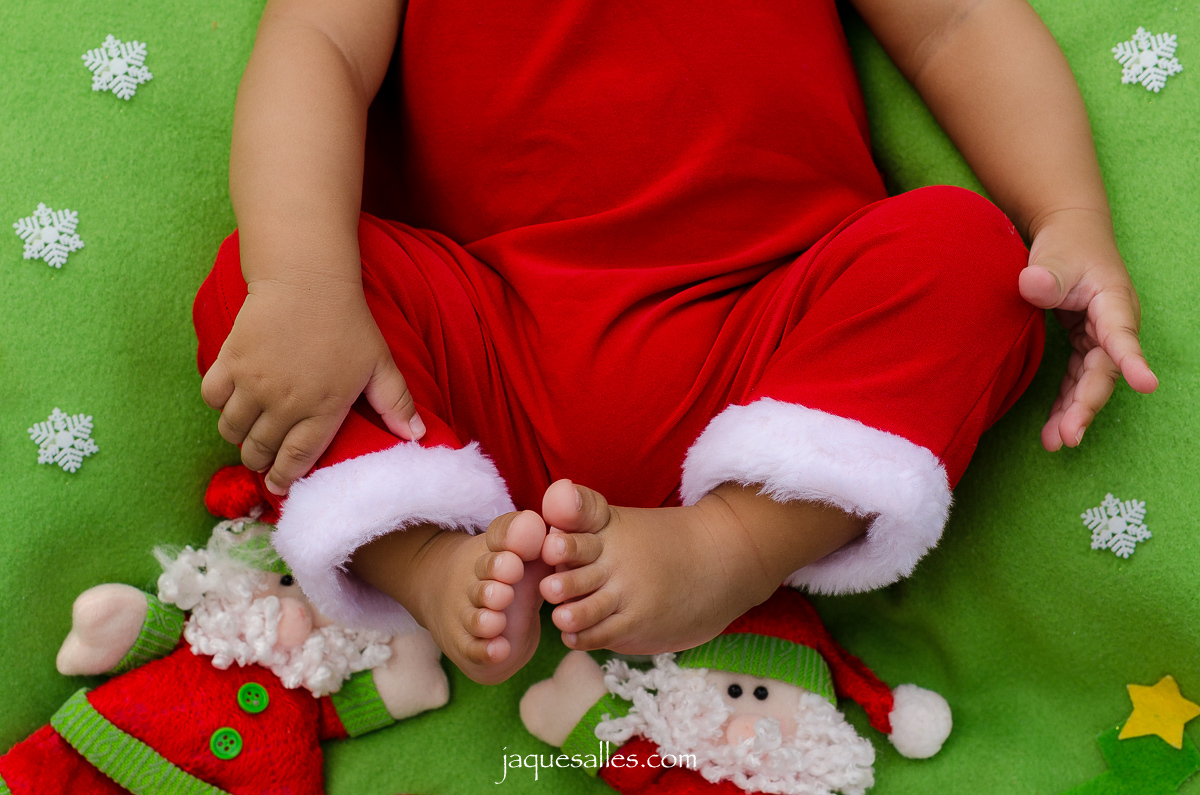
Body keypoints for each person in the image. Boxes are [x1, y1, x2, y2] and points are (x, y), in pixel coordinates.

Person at [193, 0, 1157, 685]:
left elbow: (960, 23)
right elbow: (318, 44)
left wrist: (1068, 214)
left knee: (973, 258)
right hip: (486, 345)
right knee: (262, 288)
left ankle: (732, 545)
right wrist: (304, 286)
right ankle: (428, 561)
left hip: (770, 338)